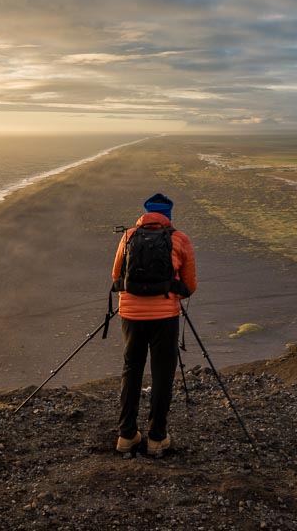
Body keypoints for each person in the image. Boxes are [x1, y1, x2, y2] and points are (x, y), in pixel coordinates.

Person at [111, 192, 197, 456]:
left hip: (131, 317)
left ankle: (126, 436)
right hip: (165, 317)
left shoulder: (128, 237)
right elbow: (190, 285)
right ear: (168, 216)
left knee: (132, 369)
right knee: (162, 374)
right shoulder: (180, 240)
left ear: (145, 213)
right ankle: (157, 438)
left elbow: (116, 276)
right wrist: (169, 294)